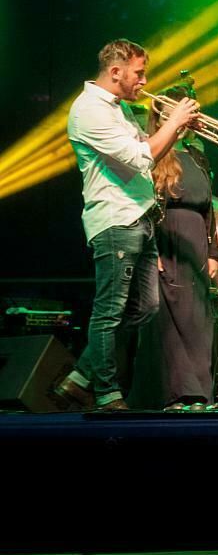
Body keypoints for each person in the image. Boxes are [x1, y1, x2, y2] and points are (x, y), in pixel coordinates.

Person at [54, 39, 199, 410]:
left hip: (140, 215)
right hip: (116, 219)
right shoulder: (89, 109)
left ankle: (80, 377)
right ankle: (106, 393)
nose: (144, 81)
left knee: (145, 307)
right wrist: (175, 120)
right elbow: (141, 157)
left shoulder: (118, 108)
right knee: (109, 311)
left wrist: (178, 130)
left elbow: (151, 151)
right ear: (115, 71)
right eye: (139, 73)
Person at [129, 81, 218, 411]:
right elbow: (142, 205)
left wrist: (214, 252)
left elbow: (209, 210)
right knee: (169, 323)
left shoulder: (197, 156)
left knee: (199, 321)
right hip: (164, 242)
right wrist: (149, 250)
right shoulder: (152, 152)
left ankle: (201, 395)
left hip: (194, 246)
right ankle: (179, 394)